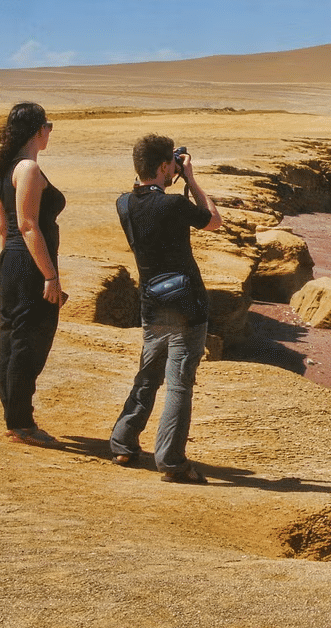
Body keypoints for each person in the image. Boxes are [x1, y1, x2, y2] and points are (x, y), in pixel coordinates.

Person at [110, 135, 222, 484]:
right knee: (179, 384)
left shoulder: (124, 204)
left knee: (147, 376)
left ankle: (123, 442)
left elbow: (147, 195)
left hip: (152, 303)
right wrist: (191, 179)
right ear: (163, 167)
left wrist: (172, 173)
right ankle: (171, 461)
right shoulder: (174, 205)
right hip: (187, 305)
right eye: (171, 164)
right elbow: (213, 220)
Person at [0, 102, 65, 448]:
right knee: (29, 342)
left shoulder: (3, 170)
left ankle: (15, 417)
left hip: (12, 262)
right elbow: (28, 225)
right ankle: (21, 423)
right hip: (29, 265)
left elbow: (3, 228)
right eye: (48, 125)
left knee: (11, 338)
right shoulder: (28, 169)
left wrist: (9, 267)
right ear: (38, 130)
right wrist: (50, 276)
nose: (49, 131)